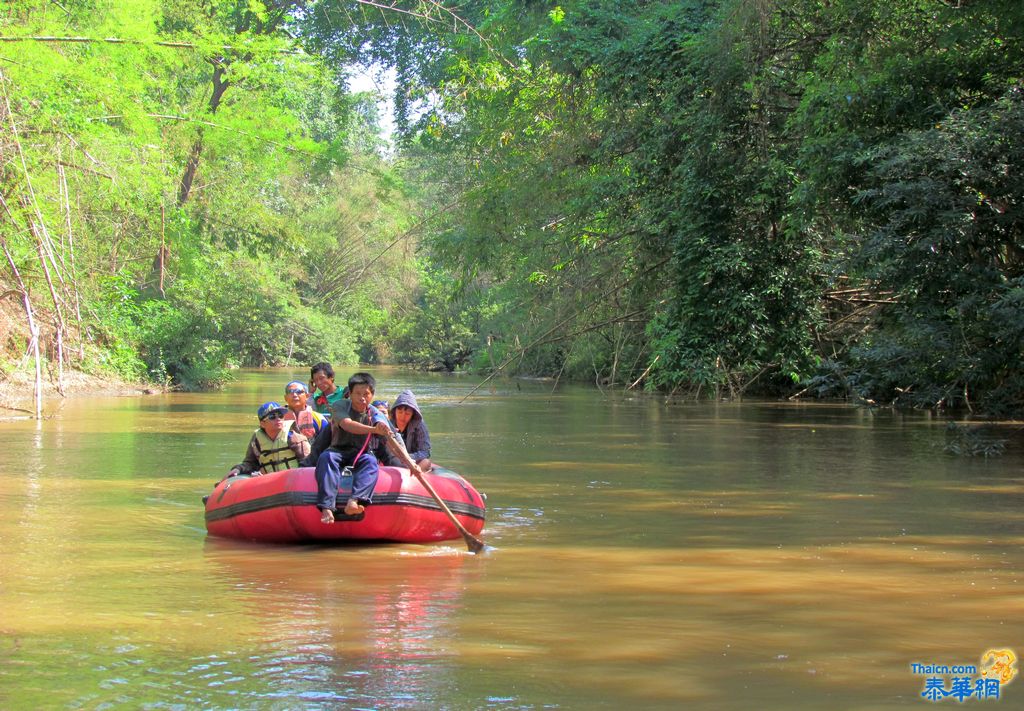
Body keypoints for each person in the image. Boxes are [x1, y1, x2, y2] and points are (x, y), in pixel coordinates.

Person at [314, 372, 392, 523]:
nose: (362, 398)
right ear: (350, 394)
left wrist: (410, 462)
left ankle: (354, 501)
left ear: (372, 395)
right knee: (326, 458)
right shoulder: (340, 405)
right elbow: (347, 425)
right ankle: (327, 507)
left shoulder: (374, 413)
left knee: (371, 462)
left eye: (366, 394)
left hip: (361, 453)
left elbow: (392, 439)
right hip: (338, 450)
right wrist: (374, 430)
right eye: (357, 393)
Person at [226, 401, 310, 478]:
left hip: (294, 480)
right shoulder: (257, 440)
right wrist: (238, 469)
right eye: (272, 416)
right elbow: (250, 463)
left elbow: (309, 462)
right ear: (262, 423)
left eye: (280, 416)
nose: (278, 419)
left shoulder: (293, 437)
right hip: (269, 483)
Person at [390, 389, 432, 470]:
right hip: (391, 459)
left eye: (407, 413)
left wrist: (407, 457)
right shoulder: (387, 423)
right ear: (394, 411)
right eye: (400, 412)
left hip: (412, 460)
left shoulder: (420, 425)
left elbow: (425, 452)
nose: (402, 417)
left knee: (426, 462)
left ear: (413, 414)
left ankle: (413, 476)